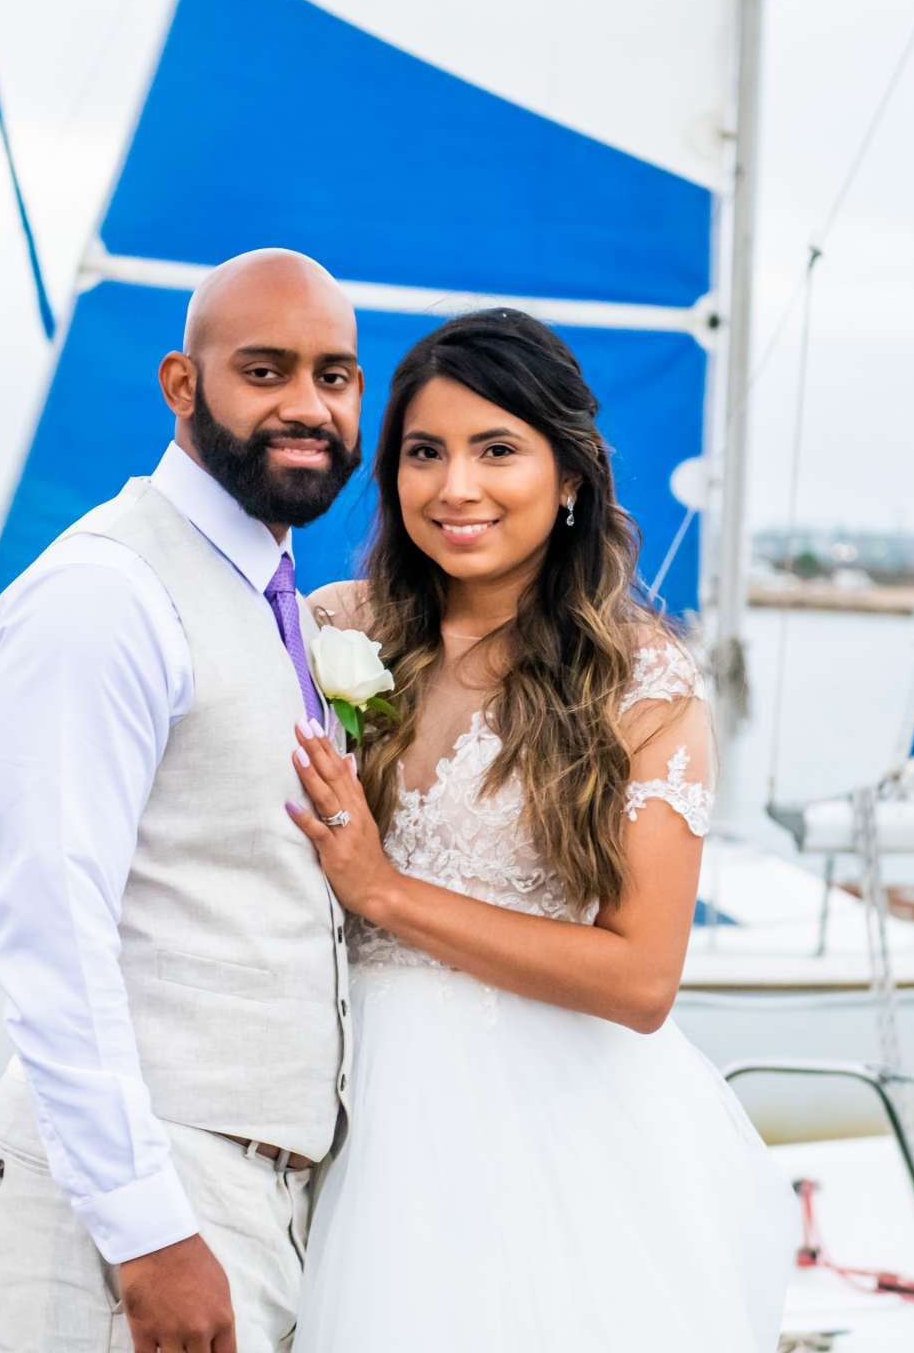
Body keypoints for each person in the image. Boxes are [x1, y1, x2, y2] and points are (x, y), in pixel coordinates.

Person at [285, 309, 790, 1349]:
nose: (454, 486)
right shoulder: (333, 629)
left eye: (497, 450)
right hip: (312, 1102)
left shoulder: (644, 687)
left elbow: (643, 979)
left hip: (531, 1137)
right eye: (424, 452)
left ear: (569, 479)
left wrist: (383, 892)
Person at [0, 248, 362, 1353]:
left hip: (254, 1184)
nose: (308, 405)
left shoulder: (275, 596)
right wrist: (147, 1231)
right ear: (182, 385)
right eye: (266, 370)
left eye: (335, 375)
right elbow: (52, 925)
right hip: (154, 1179)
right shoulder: (106, 596)